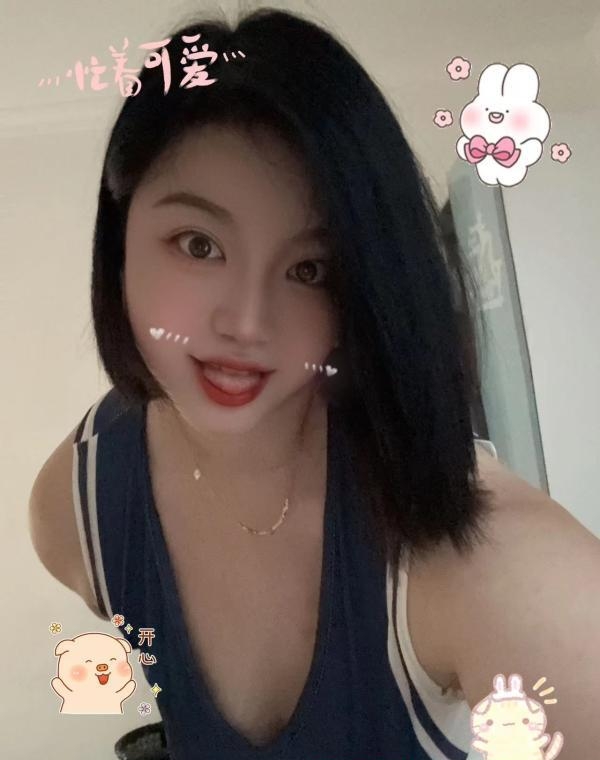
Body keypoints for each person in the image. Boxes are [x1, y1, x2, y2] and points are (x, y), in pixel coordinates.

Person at [29, 7, 600, 760]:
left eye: (309, 269)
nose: (246, 323)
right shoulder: (79, 512)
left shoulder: (508, 573)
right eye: (198, 245)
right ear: (120, 237)